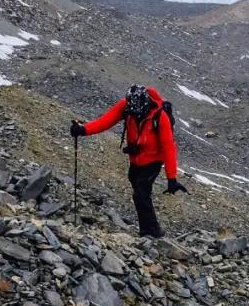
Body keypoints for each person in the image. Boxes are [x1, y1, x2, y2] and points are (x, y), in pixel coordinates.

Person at [70, 85, 188, 238]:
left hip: (154, 160)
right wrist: (83, 130)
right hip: (136, 158)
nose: (136, 116)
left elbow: (169, 147)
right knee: (139, 191)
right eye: (134, 113)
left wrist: (171, 178)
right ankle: (150, 228)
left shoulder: (160, 116)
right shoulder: (126, 106)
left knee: (141, 193)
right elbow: (105, 121)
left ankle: (151, 232)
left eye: (139, 113)